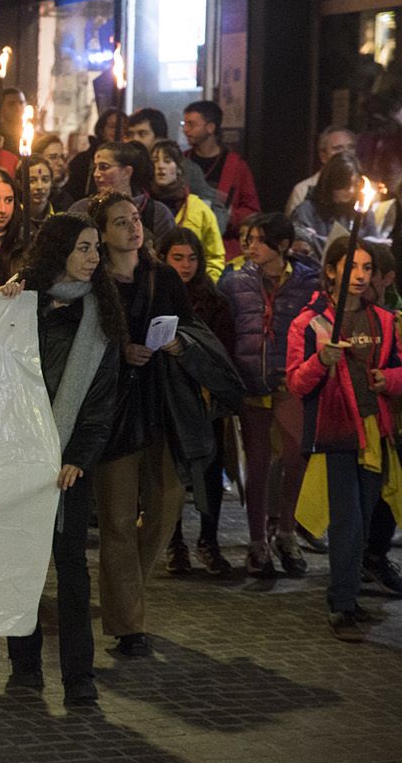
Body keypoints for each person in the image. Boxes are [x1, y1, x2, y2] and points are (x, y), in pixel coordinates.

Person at [0, 213, 122, 707]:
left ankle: (79, 678)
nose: (94, 257)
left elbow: (101, 400)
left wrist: (79, 458)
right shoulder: (20, 304)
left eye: (96, 248)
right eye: (84, 248)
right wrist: (0, 307)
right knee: (19, 565)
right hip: (18, 457)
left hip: (67, 465)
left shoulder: (100, 315)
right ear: (59, 251)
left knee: (71, 575)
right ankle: (24, 665)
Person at [86, 191, 190, 658]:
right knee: (117, 516)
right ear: (103, 233)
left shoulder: (163, 277)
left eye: (135, 219)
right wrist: (120, 351)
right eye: (121, 222)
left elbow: (192, 329)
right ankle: (129, 625)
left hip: (159, 404)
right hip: (114, 409)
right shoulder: (95, 283)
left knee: (167, 502)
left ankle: (126, 592)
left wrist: (176, 344)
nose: (133, 227)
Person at [286, 236, 402, 640]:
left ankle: (350, 595)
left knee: (365, 519)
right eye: (353, 265)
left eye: (367, 268)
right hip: (334, 433)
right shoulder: (310, 322)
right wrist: (322, 360)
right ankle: (341, 605)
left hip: (374, 432)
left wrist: (387, 380)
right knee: (348, 522)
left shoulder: (384, 320)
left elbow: (400, 369)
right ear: (332, 269)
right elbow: (297, 382)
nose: (360, 275)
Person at [219, 212, 323, 577]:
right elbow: (224, 327)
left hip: (289, 383)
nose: (250, 247)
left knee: (296, 457)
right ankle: (257, 541)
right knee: (258, 464)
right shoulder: (235, 282)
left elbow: (318, 327)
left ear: (281, 245)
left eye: (259, 240)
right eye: (248, 239)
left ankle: (287, 531)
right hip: (251, 383)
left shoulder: (309, 282)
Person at [156, 227, 236, 576]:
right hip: (168, 397)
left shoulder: (213, 301)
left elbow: (222, 351)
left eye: (191, 258)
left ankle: (208, 539)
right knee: (172, 472)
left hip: (205, 398)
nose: (185, 266)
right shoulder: (157, 296)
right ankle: (174, 543)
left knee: (210, 468)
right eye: (178, 258)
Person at [182, 99, 260, 256]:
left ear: (210, 128)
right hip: (186, 244)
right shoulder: (181, 162)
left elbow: (253, 211)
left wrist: (230, 215)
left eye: (192, 124)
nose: (186, 130)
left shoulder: (236, 166)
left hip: (224, 248)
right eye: (185, 124)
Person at [68, 141, 175, 239]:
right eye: (95, 167)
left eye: (104, 167)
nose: (96, 174)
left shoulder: (156, 213)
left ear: (127, 172)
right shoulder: (81, 209)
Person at [150, 139, 225, 280]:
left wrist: (204, 285)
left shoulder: (198, 209)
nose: (160, 166)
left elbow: (214, 256)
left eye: (167, 161)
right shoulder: (142, 207)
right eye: (155, 161)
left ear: (178, 168)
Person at [290, 153, 380, 262]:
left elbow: (375, 249)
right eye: (345, 185)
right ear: (331, 182)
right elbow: (302, 250)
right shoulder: (306, 211)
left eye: (355, 185)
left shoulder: (363, 212)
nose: (351, 190)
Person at [286, 126, 358, 213]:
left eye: (351, 147)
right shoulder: (302, 190)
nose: (346, 152)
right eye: (338, 148)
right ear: (323, 155)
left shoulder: (365, 188)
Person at [64, 109, 125, 203]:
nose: (119, 131)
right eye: (112, 127)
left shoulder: (130, 160)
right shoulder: (83, 161)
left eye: (124, 127)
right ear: (101, 130)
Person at [18, 153, 57, 238]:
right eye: (32, 181)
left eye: (45, 180)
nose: (39, 186)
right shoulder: (12, 217)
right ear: (20, 184)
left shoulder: (60, 216)